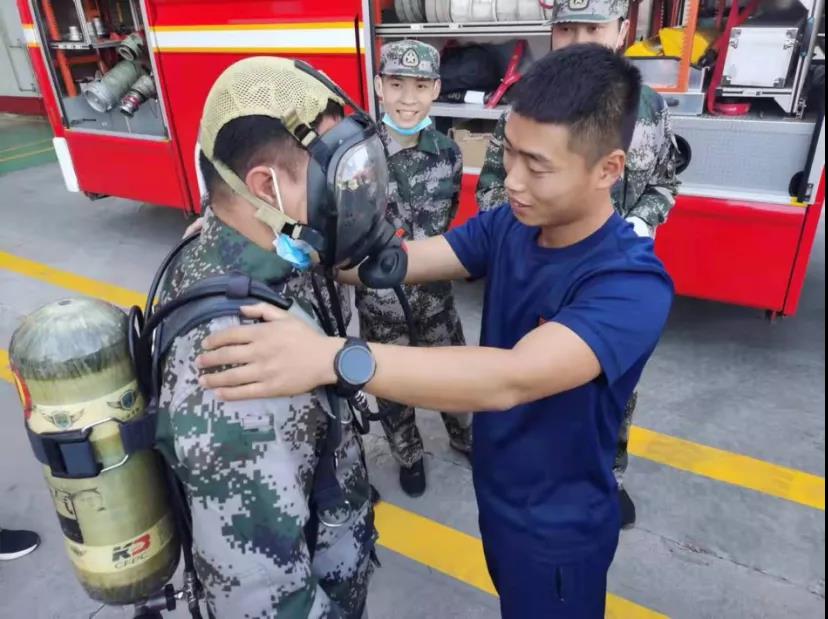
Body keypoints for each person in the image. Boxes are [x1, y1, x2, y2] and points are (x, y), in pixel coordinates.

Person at [196, 45, 674, 617]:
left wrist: (331, 356)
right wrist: (285, 238)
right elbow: (401, 262)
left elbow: (511, 378)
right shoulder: (513, 224)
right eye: (508, 152)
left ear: (608, 170)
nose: (512, 180)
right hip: (497, 494)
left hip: (557, 528)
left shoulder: (630, 283)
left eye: (537, 166)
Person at [154, 57, 376, 618]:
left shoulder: (254, 243)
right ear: (265, 188)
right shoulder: (236, 360)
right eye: (329, 179)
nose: (344, 195)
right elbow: (261, 597)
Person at [477, 0, 681, 528]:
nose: (578, 40)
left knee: (609, 391)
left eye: (593, 27)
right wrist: (525, 231)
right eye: (566, 28)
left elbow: (665, 182)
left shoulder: (648, 110)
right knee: (534, 387)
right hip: (540, 268)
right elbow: (495, 190)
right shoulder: (528, 109)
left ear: (621, 30)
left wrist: (640, 223)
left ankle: (608, 474)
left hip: (606, 275)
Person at [358, 39, 472, 497]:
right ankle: (408, 456)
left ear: (436, 89)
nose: (408, 98)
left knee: (454, 378)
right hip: (380, 304)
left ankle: (465, 438)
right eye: (396, 84)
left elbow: (448, 221)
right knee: (392, 387)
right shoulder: (357, 156)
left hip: (436, 299)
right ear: (378, 86)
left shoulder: (449, 154)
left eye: (421, 86)